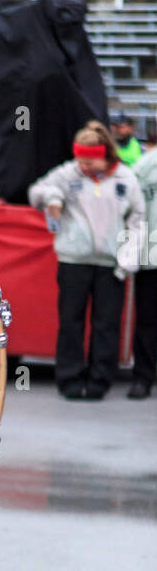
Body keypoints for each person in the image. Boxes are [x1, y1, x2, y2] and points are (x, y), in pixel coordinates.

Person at [29, 120, 144, 400]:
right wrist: (53, 197)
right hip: (74, 260)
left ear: (103, 156)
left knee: (106, 324)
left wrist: (128, 261)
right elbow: (36, 192)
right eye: (80, 160)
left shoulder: (126, 179)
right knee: (71, 321)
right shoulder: (67, 174)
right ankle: (69, 379)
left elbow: (138, 220)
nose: (84, 166)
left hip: (110, 265)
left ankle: (99, 381)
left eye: (90, 161)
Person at [129, 141, 157, 398]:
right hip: (150, 255)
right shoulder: (143, 166)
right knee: (147, 321)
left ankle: (144, 378)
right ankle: (143, 377)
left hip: (150, 253)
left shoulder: (142, 165)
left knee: (148, 321)